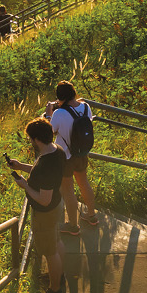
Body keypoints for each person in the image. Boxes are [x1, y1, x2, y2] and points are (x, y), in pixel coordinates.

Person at [6, 118, 68, 293]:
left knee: (50, 252)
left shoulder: (44, 165)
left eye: (30, 139)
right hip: (58, 205)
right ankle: (59, 275)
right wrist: (21, 166)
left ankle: (54, 290)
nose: (30, 142)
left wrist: (24, 185)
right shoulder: (58, 150)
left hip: (45, 213)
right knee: (57, 243)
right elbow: (42, 176)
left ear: (37, 139)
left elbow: (43, 200)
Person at [47, 81, 100, 234]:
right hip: (82, 153)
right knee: (84, 183)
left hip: (66, 156)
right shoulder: (85, 107)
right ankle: (92, 216)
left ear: (59, 97)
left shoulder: (59, 113)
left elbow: (51, 132)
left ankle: (72, 225)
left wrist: (49, 114)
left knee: (67, 189)